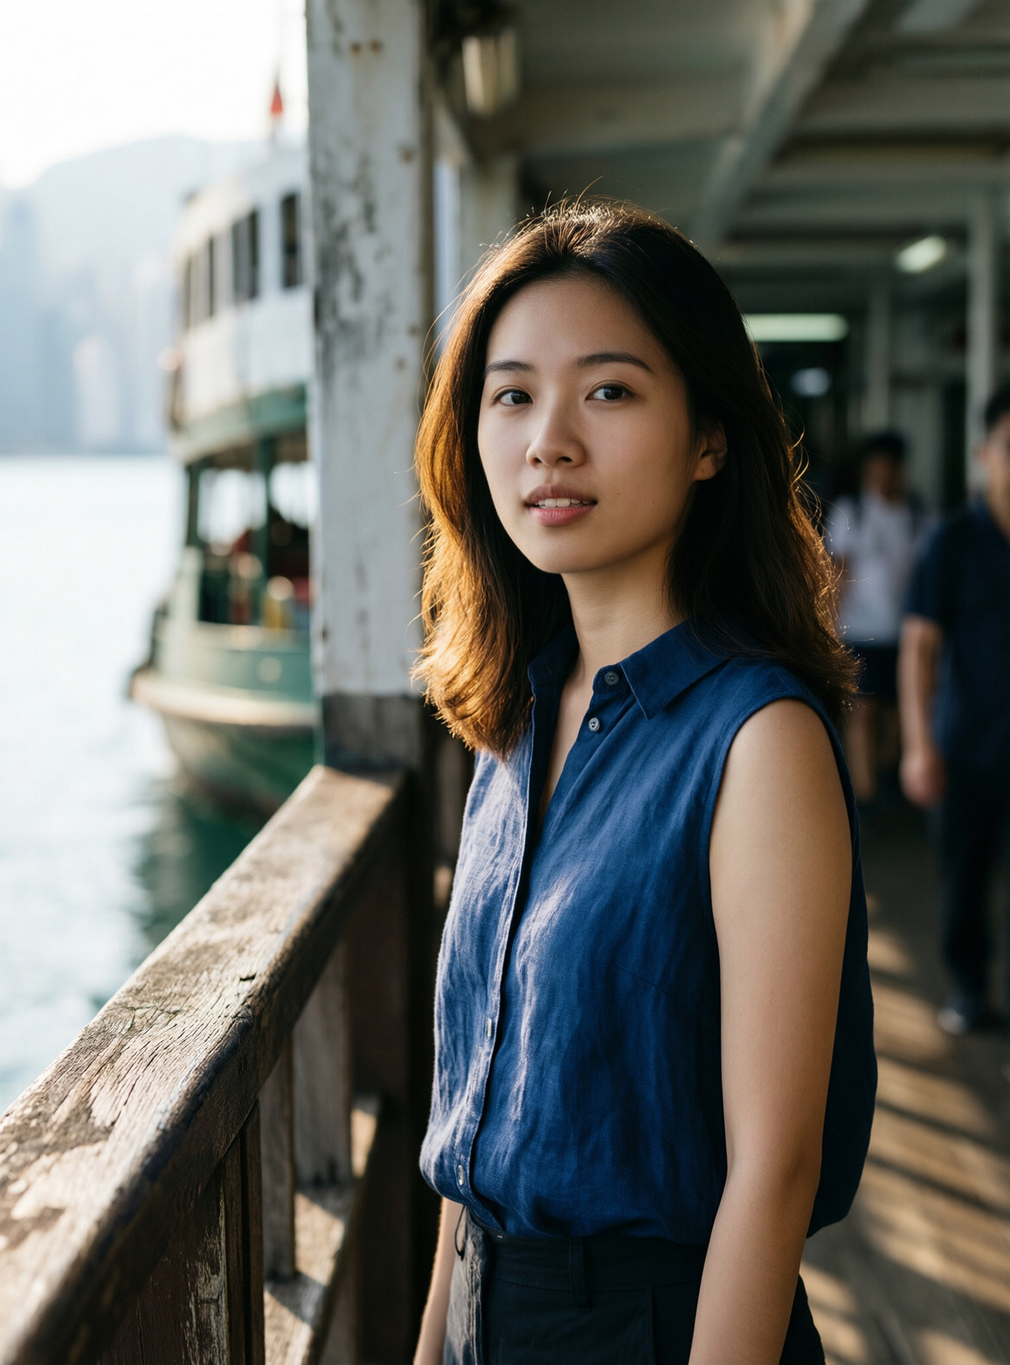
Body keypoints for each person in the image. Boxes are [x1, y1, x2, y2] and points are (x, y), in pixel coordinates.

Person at [412, 202, 876, 1365]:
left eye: (607, 392)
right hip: (482, 1313)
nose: (547, 442)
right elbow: (474, 1128)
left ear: (710, 437)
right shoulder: (513, 723)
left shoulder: (754, 741)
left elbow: (773, 1173)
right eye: (511, 394)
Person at [900, 386, 1010, 1037]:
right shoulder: (954, 540)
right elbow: (919, 644)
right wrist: (918, 744)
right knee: (966, 879)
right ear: (984, 454)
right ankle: (969, 988)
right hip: (967, 742)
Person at [824, 432, 931, 806]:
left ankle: (888, 778)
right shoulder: (851, 512)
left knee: (897, 713)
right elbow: (838, 573)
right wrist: (829, 630)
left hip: (905, 631)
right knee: (863, 712)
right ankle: (866, 795)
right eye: (876, 468)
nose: (883, 476)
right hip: (860, 630)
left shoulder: (919, 515)